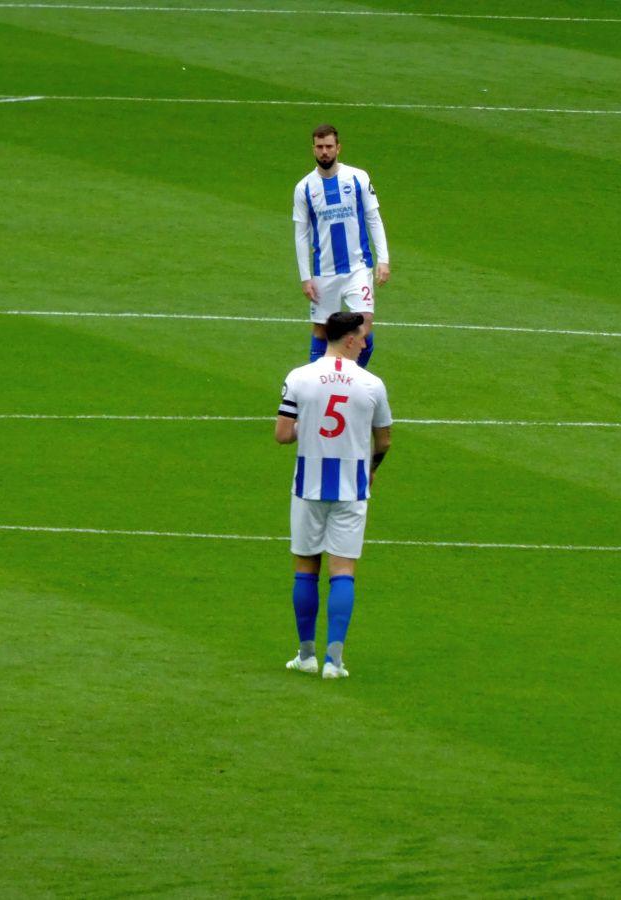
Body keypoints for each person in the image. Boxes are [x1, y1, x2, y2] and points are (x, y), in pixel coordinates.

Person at [275, 311, 393, 679]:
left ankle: (306, 654)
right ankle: (334, 662)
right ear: (348, 339)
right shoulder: (372, 383)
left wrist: (304, 430)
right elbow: (385, 438)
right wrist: (372, 467)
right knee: (343, 570)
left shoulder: (299, 377)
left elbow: (282, 434)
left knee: (306, 567)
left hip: (308, 485)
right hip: (351, 487)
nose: (364, 343)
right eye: (361, 337)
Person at [292, 123, 390, 369]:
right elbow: (301, 234)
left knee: (364, 328)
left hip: (358, 267)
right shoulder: (304, 188)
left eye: (329, 146)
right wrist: (305, 277)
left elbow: (373, 218)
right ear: (313, 149)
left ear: (338, 148)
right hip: (324, 271)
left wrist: (384, 259)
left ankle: (351, 378)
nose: (324, 151)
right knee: (321, 331)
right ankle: (320, 385)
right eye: (319, 147)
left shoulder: (358, 177)